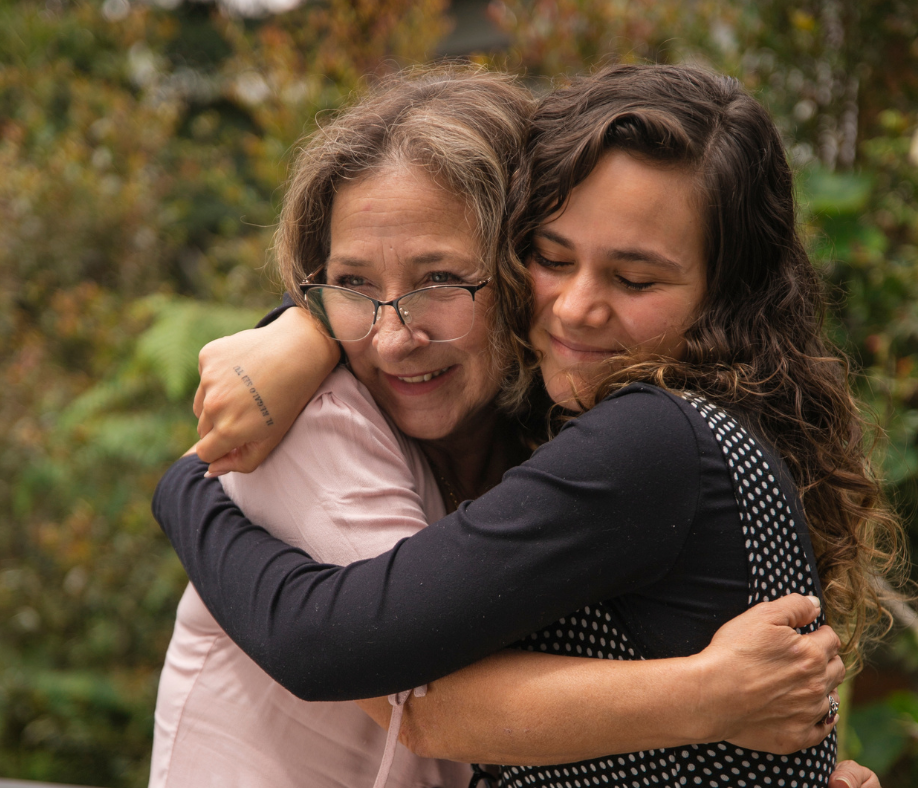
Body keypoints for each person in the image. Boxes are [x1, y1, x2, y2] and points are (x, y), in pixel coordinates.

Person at [153, 65, 903, 786]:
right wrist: (296, 330)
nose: (576, 306)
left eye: (442, 279)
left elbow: (405, 686)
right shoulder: (337, 420)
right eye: (554, 258)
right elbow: (419, 692)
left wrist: (186, 490)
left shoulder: (624, 434)